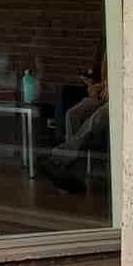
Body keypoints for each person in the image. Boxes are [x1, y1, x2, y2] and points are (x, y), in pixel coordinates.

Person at [43, 46, 107, 194]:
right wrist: (94, 83)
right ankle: (71, 175)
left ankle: (57, 159)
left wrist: (115, 86)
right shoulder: (107, 48)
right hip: (101, 94)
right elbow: (104, 77)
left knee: (96, 119)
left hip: (119, 99)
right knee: (72, 114)